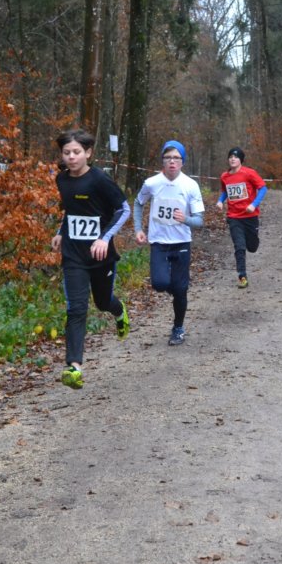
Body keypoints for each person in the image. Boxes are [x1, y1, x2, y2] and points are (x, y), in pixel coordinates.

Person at [51, 129, 131, 389]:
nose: (71, 157)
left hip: (101, 256)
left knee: (102, 302)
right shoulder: (62, 180)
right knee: (76, 309)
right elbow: (71, 212)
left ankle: (119, 311)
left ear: (88, 153)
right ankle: (74, 367)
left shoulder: (99, 180)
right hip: (73, 255)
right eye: (66, 153)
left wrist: (104, 238)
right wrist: (60, 233)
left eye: (76, 152)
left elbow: (123, 209)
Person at [133, 140, 205, 346]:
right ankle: (175, 288)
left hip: (181, 242)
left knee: (180, 290)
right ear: (162, 161)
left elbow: (199, 221)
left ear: (183, 162)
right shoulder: (151, 183)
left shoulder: (190, 185)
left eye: (176, 158)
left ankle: (178, 328)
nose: (172, 162)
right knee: (160, 284)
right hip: (159, 242)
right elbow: (138, 203)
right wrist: (138, 229)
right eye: (168, 158)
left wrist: (185, 219)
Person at [215, 147, 267, 288]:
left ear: (241, 160)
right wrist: (220, 201)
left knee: (252, 247)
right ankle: (242, 276)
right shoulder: (224, 176)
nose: (232, 159)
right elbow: (225, 191)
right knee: (239, 246)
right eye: (230, 157)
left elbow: (263, 188)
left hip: (250, 216)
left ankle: (254, 240)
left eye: (236, 157)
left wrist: (254, 204)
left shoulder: (249, 173)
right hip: (234, 217)